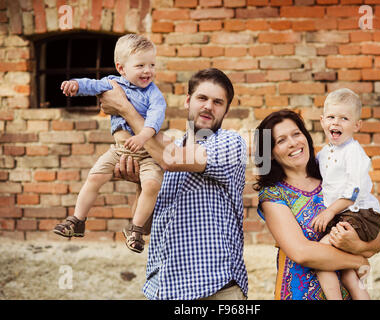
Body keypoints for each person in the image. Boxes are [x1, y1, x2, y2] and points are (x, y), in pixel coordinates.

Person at [98, 68, 248, 300]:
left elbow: (171, 159)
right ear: (188, 101)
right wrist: (142, 183)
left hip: (215, 289)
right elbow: (145, 227)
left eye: (217, 102)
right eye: (202, 98)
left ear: (226, 110)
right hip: (163, 289)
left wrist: (124, 108)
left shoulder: (231, 144)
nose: (208, 106)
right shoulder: (162, 149)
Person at [53, 34, 166, 254]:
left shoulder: (154, 94)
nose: (148, 71)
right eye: (140, 65)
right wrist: (75, 85)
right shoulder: (112, 84)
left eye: (152, 65)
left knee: (152, 184)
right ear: (121, 68)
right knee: (95, 176)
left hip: (147, 154)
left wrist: (142, 136)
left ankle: (136, 229)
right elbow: (92, 85)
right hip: (119, 150)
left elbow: (156, 117)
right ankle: (77, 220)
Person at [254, 109, 380, 300]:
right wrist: (358, 259)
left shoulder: (332, 179)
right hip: (299, 294)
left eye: (296, 134)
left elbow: (375, 242)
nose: (293, 143)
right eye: (281, 140)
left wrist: (355, 243)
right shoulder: (273, 194)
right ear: (270, 153)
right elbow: (302, 252)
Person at [311, 88, 380, 300]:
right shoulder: (325, 153)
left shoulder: (354, 152)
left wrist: (328, 212)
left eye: (344, 118)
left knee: (321, 253)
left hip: (361, 213)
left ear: (356, 125)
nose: (336, 123)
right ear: (323, 121)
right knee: (347, 273)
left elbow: (353, 191)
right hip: (345, 213)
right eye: (331, 117)